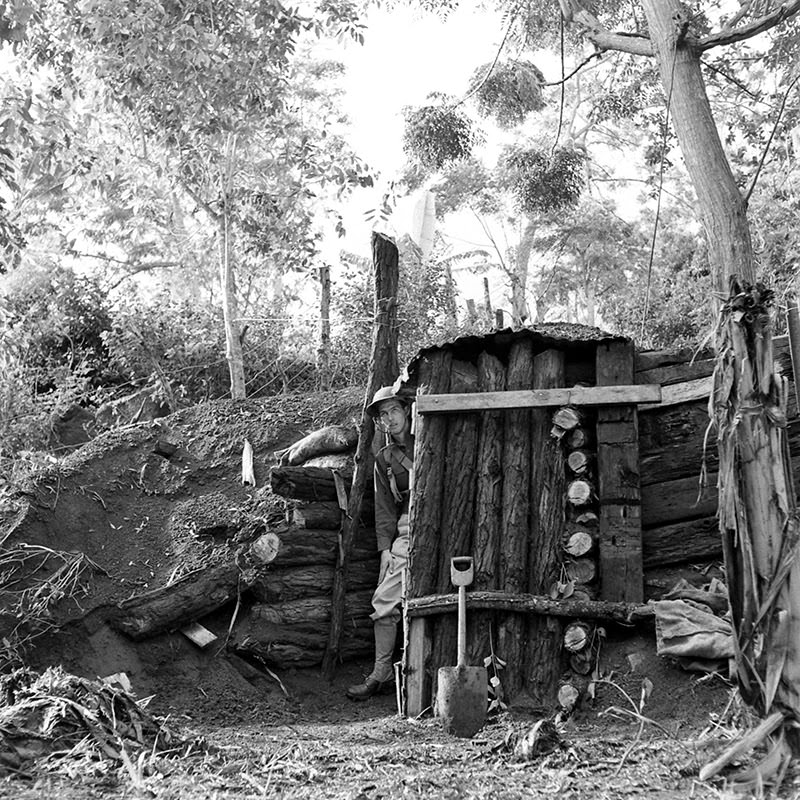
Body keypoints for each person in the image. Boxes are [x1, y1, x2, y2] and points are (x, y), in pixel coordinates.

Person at [346, 385, 413, 701]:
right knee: (383, 601)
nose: (390, 419)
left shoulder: (433, 438)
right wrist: (386, 550)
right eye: (383, 415)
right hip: (407, 533)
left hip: (449, 528)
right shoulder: (384, 459)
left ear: (406, 410)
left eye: (394, 411)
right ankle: (382, 672)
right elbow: (385, 509)